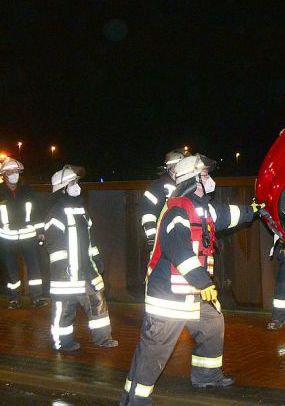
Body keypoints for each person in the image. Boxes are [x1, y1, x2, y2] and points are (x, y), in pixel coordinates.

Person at [120, 154, 262, 405]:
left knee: (212, 324)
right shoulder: (177, 208)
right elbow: (179, 250)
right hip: (169, 296)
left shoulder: (200, 207)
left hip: (192, 292)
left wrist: (253, 210)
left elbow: (226, 214)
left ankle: (207, 375)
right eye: (206, 175)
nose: (211, 180)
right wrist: (203, 282)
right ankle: (135, 399)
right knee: (155, 350)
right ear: (193, 179)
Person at [44, 164, 118, 352]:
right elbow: (54, 247)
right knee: (64, 311)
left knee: (98, 304)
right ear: (62, 189)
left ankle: (103, 339)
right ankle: (63, 342)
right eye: (73, 183)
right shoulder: (55, 215)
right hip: (66, 275)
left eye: (77, 182)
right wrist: (64, 268)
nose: (78, 186)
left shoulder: (81, 211)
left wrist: (97, 258)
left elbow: (89, 241)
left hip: (87, 272)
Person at [0, 158, 47, 309]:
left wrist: (40, 231)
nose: (14, 174)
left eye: (16, 172)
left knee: (35, 269)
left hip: (29, 236)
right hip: (7, 239)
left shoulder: (27, 190)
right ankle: (14, 299)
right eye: (11, 172)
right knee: (11, 271)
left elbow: (37, 212)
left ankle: (37, 298)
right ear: (4, 174)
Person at [140, 149, 189, 250]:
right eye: (179, 167)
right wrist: (153, 238)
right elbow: (148, 213)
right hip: (163, 242)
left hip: (186, 240)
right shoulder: (157, 187)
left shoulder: (189, 186)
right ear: (171, 168)